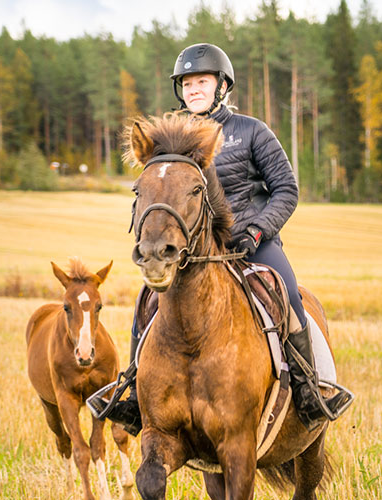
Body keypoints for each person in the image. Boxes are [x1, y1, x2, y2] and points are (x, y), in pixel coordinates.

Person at [99, 43, 351, 434]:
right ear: (179, 90)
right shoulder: (171, 140)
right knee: (145, 300)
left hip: (253, 242)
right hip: (194, 251)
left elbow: (286, 188)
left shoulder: (251, 131)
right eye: (187, 83)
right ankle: (133, 392)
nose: (194, 89)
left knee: (289, 295)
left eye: (202, 81)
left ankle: (309, 390)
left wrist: (257, 230)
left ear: (221, 86)